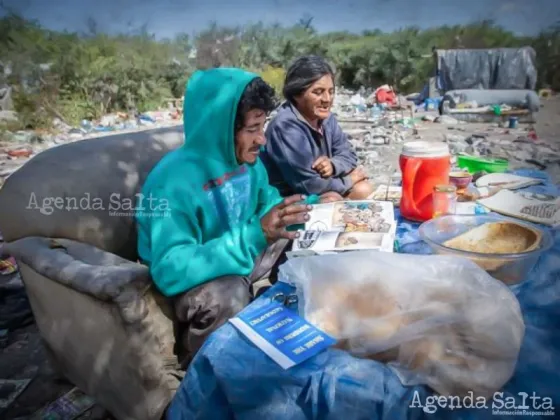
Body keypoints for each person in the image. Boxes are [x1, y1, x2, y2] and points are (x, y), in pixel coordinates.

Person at [136, 68, 313, 366]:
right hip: (194, 279)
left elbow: (270, 206)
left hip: (240, 253)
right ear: (219, 129)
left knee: (307, 238)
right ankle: (207, 371)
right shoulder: (172, 183)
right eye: (252, 129)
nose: (263, 140)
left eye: (263, 125)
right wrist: (256, 235)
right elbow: (169, 270)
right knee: (227, 293)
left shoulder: (247, 163)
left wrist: (314, 209)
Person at [260, 55, 374, 200]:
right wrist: (349, 180)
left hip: (321, 186)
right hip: (289, 197)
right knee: (333, 199)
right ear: (296, 94)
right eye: (318, 92)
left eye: (331, 91)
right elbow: (311, 185)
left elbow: (349, 154)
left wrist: (333, 165)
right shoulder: (285, 127)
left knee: (364, 188)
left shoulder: (326, 119)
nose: (327, 99)